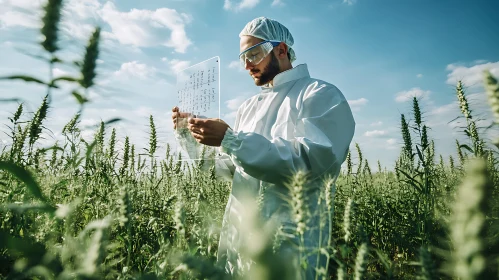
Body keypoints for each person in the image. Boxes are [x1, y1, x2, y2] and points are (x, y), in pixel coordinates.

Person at [172, 16, 355, 279]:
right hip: (242, 244)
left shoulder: (320, 95)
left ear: (281, 50)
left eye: (254, 54)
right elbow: (230, 171)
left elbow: (310, 162)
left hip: (291, 248)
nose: (247, 64)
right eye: (242, 58)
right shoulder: (249, 107)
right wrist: (189, 134)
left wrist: (231, 140)